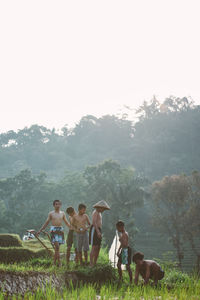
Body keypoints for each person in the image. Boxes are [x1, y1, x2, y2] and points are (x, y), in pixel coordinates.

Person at [37, 199, 70, 267]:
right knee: (57, 247)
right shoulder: (51, 213)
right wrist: (40, 230)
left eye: (59, 204)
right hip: (53, 230)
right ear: (54, 205)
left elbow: (66, 222)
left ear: (60, 205)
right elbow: (47, 222)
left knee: (57, 248)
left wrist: (72, 228)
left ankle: (54, 263)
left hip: (60, 230)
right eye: (56, 204)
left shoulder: (62, 213)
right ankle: (60, 263)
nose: (57, 205)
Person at [89, 200, 110, 266]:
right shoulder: (95, 212)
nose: (103, 210)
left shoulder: (99, 213)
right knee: (94, 246)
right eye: (102, 208)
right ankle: (91, 263)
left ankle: (95, 262)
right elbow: (94, 222)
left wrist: (99, 231)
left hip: (98, 229)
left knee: (98, 247)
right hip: (95, 229)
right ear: (99, 207)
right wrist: (97, 231)